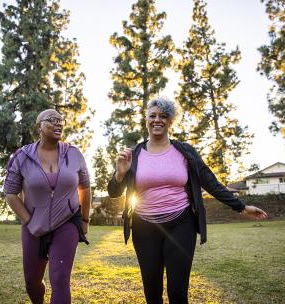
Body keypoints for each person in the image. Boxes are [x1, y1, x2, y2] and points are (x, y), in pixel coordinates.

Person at [108, 97, 267, 304]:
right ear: (146, 120)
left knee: (178, 292)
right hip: (144, 227)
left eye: (164, 116)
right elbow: (113, 192)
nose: (158, 120)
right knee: (152, 291)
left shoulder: (184, 152)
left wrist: (241, 206)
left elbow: (210, 182)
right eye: (153, 116)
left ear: (171, 121)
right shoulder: (134, 154)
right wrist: (120, 174)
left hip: (180, 225)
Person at [4, 109, 91, 304]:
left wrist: (84, 219)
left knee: (60, 280)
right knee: (32, 282)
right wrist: (30, 222)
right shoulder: (22, 156)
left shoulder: (74, 154)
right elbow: (10, 193)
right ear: (39, 126)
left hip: (67, 222)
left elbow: (85, 187)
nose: (58, 123)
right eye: (52, 120)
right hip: (34, 227)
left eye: (61, 120)